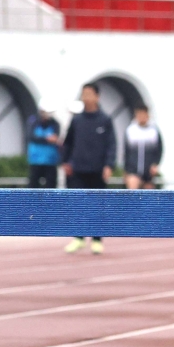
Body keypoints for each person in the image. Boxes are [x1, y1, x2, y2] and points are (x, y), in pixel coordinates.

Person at [62, 83, 117, 255]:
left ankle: (97, 239)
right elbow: (68, 142)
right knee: (78, 203)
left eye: (89, 94)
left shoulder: (105, 120)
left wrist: (109, 165)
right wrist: (66, 162)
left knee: (98, 205)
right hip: (78, 169)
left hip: (98, 169)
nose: (86, 97)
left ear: (97, 96)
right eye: (83, 94)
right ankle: (78, 238)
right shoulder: (77, 120)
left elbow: (111, 145)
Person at [123, 106, 163, 190]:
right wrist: (126, 169)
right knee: (132, 192)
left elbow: (159, 150)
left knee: (149, 197)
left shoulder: (154, 131)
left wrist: (156, 164)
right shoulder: (131, 130)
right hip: (133, 170)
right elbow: (126, 152)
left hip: (148, 172)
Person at [26, 102, 61, 188]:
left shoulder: (55, 124)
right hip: (35, 160)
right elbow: (31, 136)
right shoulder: (33, 121)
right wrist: (46, 139)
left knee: (51, 186)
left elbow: (55, 137)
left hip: (50, 160)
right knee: (33, 186)